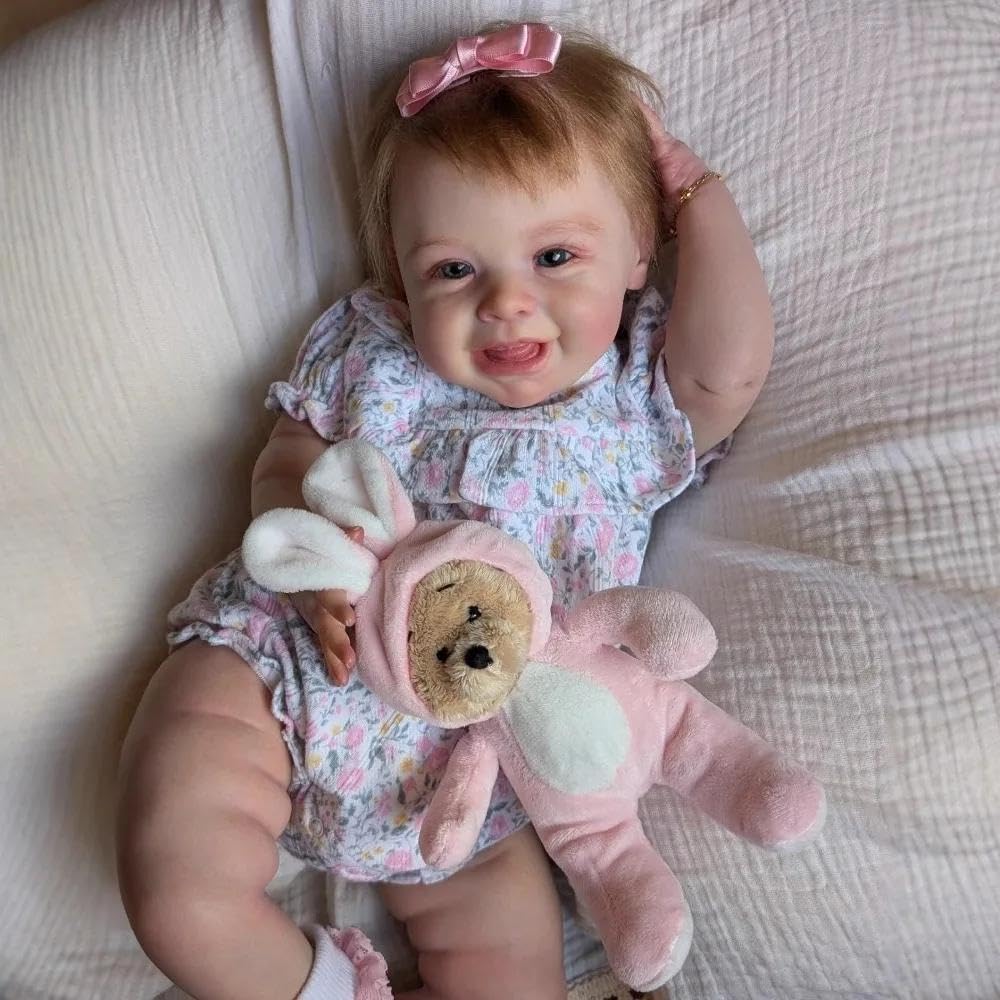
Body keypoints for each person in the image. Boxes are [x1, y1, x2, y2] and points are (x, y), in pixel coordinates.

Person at [116, 21, 774, 1000]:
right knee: (179, 892)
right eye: (454, 270)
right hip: (286, 670)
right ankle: (313, 985)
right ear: (401, 274)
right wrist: (313, 560)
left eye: (555, 255)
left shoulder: (629, 409)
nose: (505, 303)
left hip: (474, 773)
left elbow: (728, 369)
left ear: (639, 249)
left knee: (517, 979)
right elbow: (287, 462)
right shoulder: (373, 353)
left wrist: (696, 199)